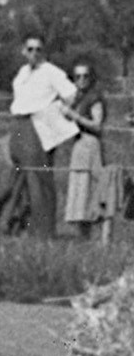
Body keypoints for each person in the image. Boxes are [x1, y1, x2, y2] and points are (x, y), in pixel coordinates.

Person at [0, 36, 76, 236]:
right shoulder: (23, 72)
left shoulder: (51, 71)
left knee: (38, 179)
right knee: (16, 177)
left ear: (44, 51)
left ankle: (44, 231)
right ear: (24, 51)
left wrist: (54, 114)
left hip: (36, 126)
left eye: (39, 49)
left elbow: (72, 94)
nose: (34, 53)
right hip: (18, 124)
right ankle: (12, 223)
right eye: (30, 49)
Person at [62, 60, 106, 239]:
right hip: (78, 145)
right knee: (78, 189)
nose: (81, 80)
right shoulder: (77, 97)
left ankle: (90, 235)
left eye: (85, 76)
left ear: (91, 78)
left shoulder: (94, 98)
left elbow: (97, 125)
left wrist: (75, 117)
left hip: (90, 144)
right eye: (77, 76)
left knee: (88, 189)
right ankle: (81, 236)